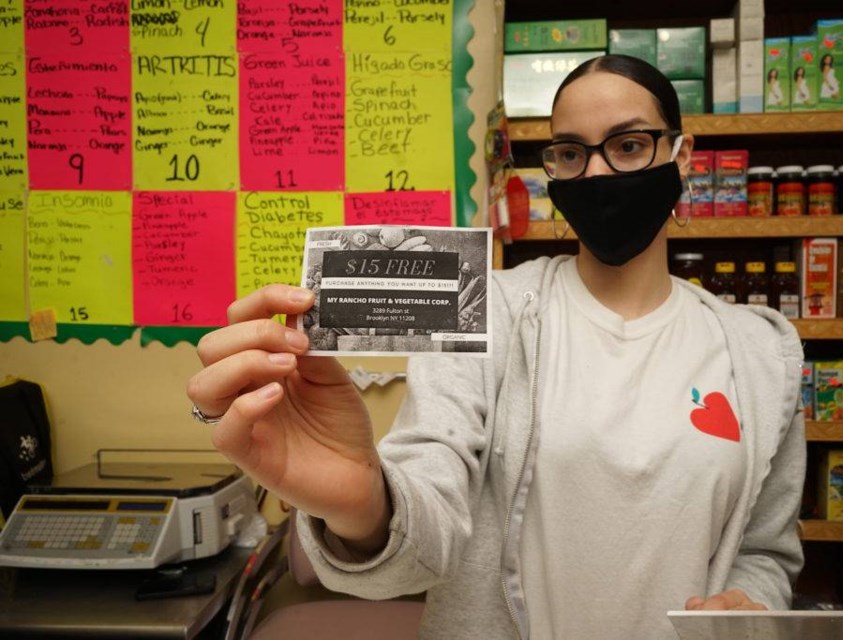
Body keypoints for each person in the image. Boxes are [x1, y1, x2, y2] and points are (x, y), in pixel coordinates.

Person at [187, 54, 805, 639]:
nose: (596, 173)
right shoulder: (488, 312)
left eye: (628, 145)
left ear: (683, 154)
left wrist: (750, 605)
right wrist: (366, 504)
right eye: (570, 153)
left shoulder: (761, 353)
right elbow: (430, 517)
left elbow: (764, 551)